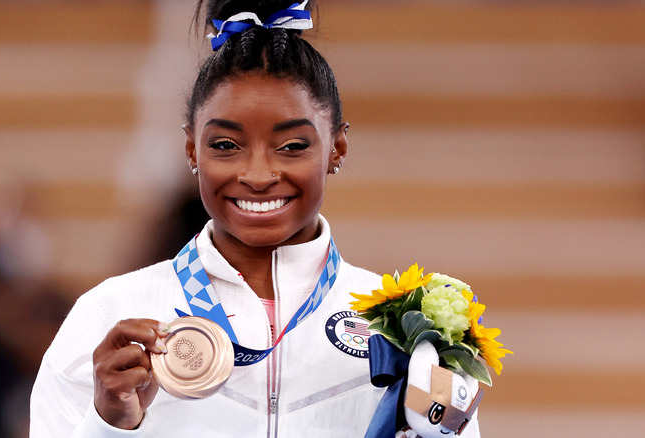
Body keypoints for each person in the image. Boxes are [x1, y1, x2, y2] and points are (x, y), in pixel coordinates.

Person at [30, 1, 480, 437]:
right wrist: (110, 425)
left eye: (293, 146)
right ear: (191, 149)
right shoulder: (109, 314)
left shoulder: (408, 331)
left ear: (337, 148)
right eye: (226, 145)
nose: (259, 175)